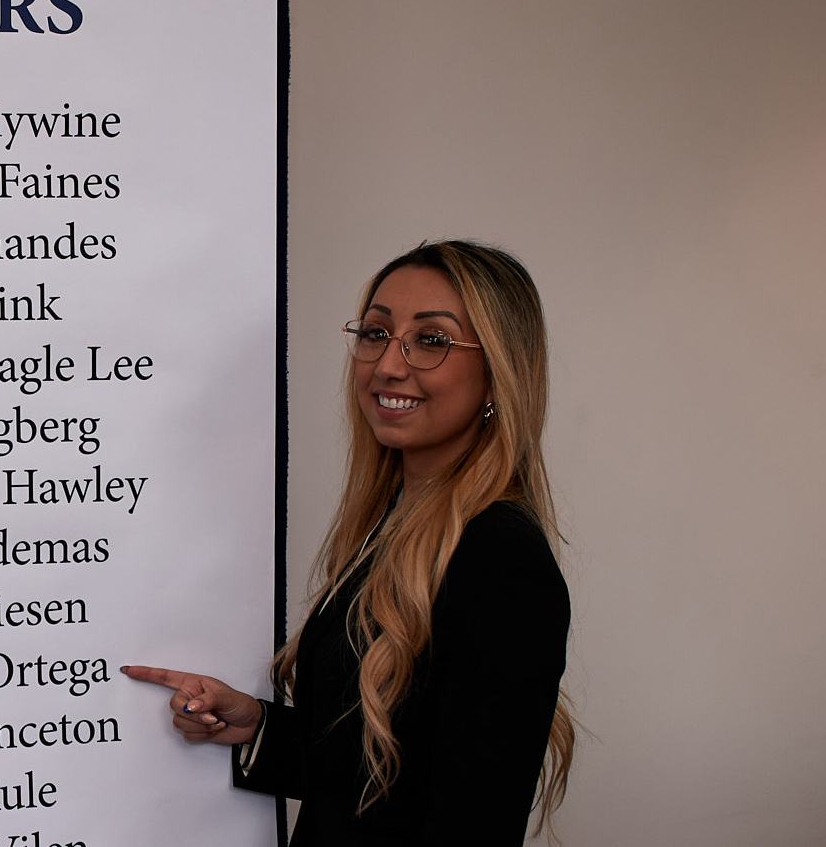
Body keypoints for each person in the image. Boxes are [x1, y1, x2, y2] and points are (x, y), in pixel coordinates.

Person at [126, 240, 573, 845]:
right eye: (376, 333)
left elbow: (473, 825)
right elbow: (378, 779)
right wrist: (257, 726)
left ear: (499, 373)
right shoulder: (398, 523)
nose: (388, 365)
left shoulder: (500, 558)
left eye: (432, 340)